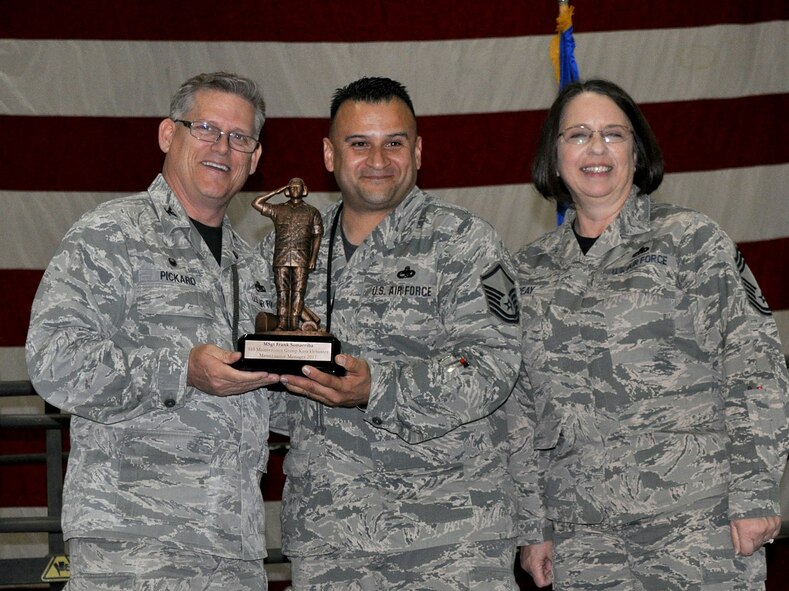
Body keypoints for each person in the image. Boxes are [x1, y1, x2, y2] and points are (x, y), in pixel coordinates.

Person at [510, 78, 789, 590]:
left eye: (613, 134)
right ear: (554, 157)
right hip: (583, 537)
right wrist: (534, 525)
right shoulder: (527, 270)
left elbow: (754, 363)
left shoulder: (690, 239)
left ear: (636, 153)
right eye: (577, 135)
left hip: (695, 522)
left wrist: (755, 490)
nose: (596, 149)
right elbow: (520, 410)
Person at [265, 76, 522, 590]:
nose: (377, 159)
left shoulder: (466, 243)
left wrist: (377, 386)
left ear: (418, 150)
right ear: (329, 154)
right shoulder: (291, 251)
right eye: (359, 143)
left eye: (394, 143)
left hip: (450, 539)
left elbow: (492, 363)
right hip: (329, 538)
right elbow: (269, 384)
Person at [25, 72, 280, 590]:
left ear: (254, 159)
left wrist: (318, 377)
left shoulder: (252, 268)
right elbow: (53, 362)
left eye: (239, 138)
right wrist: (181, 371)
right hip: (135, 545)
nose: (221, 148)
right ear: (169, 135)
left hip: (234, 550)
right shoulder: (111, 235)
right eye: (206, 128)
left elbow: (263, 403)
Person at [253, 177, 323, 331]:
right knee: (282, 293)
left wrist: (313, 258)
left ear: (304, 190)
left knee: (298, 293)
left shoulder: (312, 212)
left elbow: (317, 236)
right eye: (291, 187)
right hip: (281, 257)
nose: (295, 189)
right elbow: (256, 203)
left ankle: (295, 325)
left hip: (302, 258)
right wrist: (276, 191)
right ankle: (283, 325)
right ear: (287, 190)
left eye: (298, 187)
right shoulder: (278, 209)